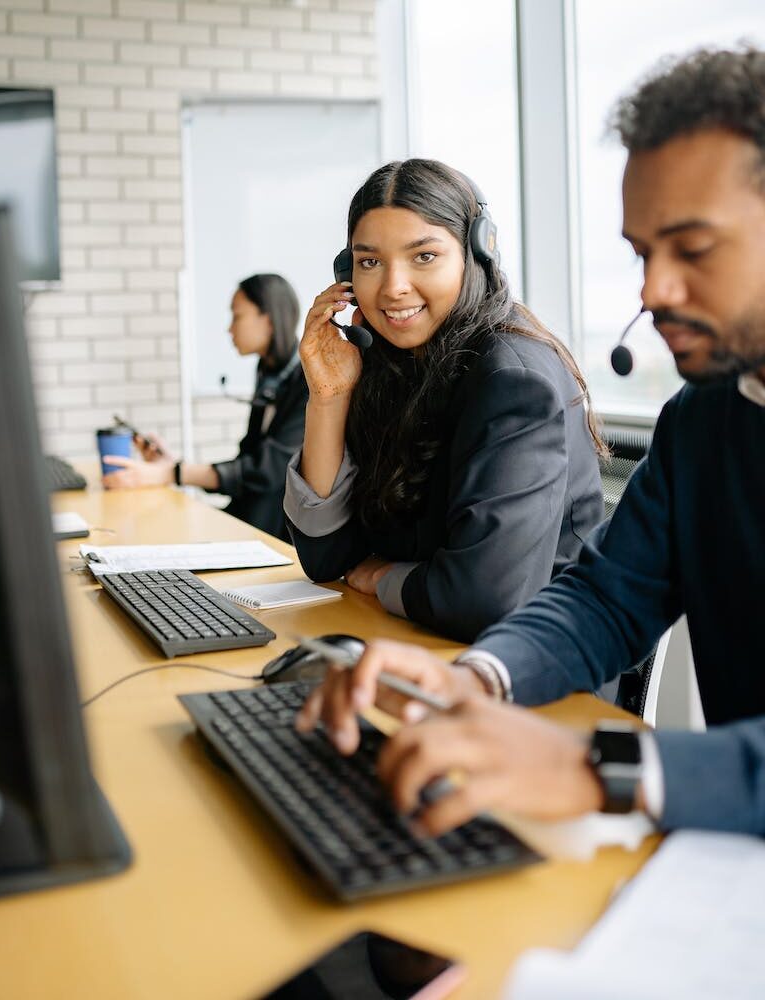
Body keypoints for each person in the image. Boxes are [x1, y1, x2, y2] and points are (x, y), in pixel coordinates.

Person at [297, 47, 765, 837]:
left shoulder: (520, 372)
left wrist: (604, 768)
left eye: (693, 248)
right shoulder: (704, 419)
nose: (653, 292)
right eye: (643, 253)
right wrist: (477, 679)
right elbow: (607, 599)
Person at [284, 159, 605, 643]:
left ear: (475, 254)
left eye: (424, 257)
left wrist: (383, 577)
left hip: (530, 675)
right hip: (425, 646)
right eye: (370, 262)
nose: (393, 287)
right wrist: (329, 398)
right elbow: (325, 558)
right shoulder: (390, 366)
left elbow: (484, 600)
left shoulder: (514, 380)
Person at [103, 273, 308, 541]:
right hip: (251, 518)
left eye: (237, 316)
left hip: (281, 534)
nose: (229, 329)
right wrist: (172, 466)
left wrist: (174, 473)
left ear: (268, 320)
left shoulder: (308, 378)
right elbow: (248, 456)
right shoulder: (268, 371)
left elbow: (267, 470)